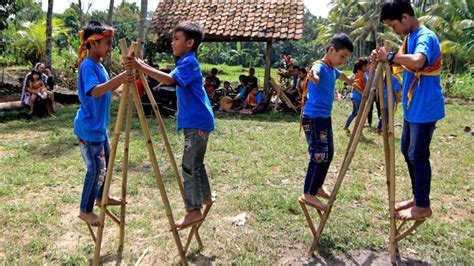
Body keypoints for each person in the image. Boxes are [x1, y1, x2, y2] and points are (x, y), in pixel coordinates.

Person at [124, 21, 215, 229]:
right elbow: (168, 79)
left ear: (190, 42)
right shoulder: (186, 61)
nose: (172, 43)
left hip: (197, 121)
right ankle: (205, 197)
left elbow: (169, 81)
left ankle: (193, 210)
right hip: (198, 120)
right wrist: (141, 65)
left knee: (189, 165)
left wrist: (140, 66)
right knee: (197, 163)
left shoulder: (189, 62)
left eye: (176, 39)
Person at [372, 0, 445, 220]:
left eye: (394, 25)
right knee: (407, 150)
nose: (394, 30)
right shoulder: (409, 38)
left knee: (418, 154)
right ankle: (418, 196)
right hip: (413, 108)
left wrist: (392, 56)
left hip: (425, 107)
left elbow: (418, 61)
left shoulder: (425, 36)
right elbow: (402, 63)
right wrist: (383, 58)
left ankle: (423, 205)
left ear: (405, 17)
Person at [74, 20, 132, 226]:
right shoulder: (88, 66)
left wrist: (122, 83)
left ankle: (102, 197)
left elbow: (107, 89)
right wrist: (121, 77)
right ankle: (85, 209)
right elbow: (96, 90)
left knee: (105, 165)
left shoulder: (98, 65)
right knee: (96, 169)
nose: (110, 48)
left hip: (99, 129)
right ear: (94, 43)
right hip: (89, 129)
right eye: (107, 43)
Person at [299, 33, 354, 211]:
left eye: (346, 57)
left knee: (328, 153)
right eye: (342, 56)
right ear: (331, 50)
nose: (343, 60)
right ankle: (308, 193)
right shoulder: (320, 66)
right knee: (319, 155)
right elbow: (314, 72)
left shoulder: (332, 69)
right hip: (314, 118)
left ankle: (318, 187)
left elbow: (341, 74)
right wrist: (312, 77)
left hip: (324, 118)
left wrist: (350, 80)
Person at [343, 57, 369, 135]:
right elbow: (355, 85)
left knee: (355, 113)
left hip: (356, 96)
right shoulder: (360, 74)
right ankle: (357, 129)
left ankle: (347, 126)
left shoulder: (361, 74)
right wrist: (362, 93)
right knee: (358, 113)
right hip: (357, 97)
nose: (368, 67)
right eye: (367, 65)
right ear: (363, 66)